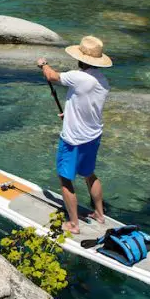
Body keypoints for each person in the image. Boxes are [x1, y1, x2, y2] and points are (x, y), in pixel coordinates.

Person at [36, 35, 112, 235]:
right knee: (89, 174)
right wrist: (68, 113)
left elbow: (51, 76)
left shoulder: (78, 77)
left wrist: (44, 64)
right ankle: (99, 214)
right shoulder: (102, 81)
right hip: (93, 135)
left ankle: (73, 224)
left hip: (73, 139)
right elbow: (86, 103)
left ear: (81, 58)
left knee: (65, 179)